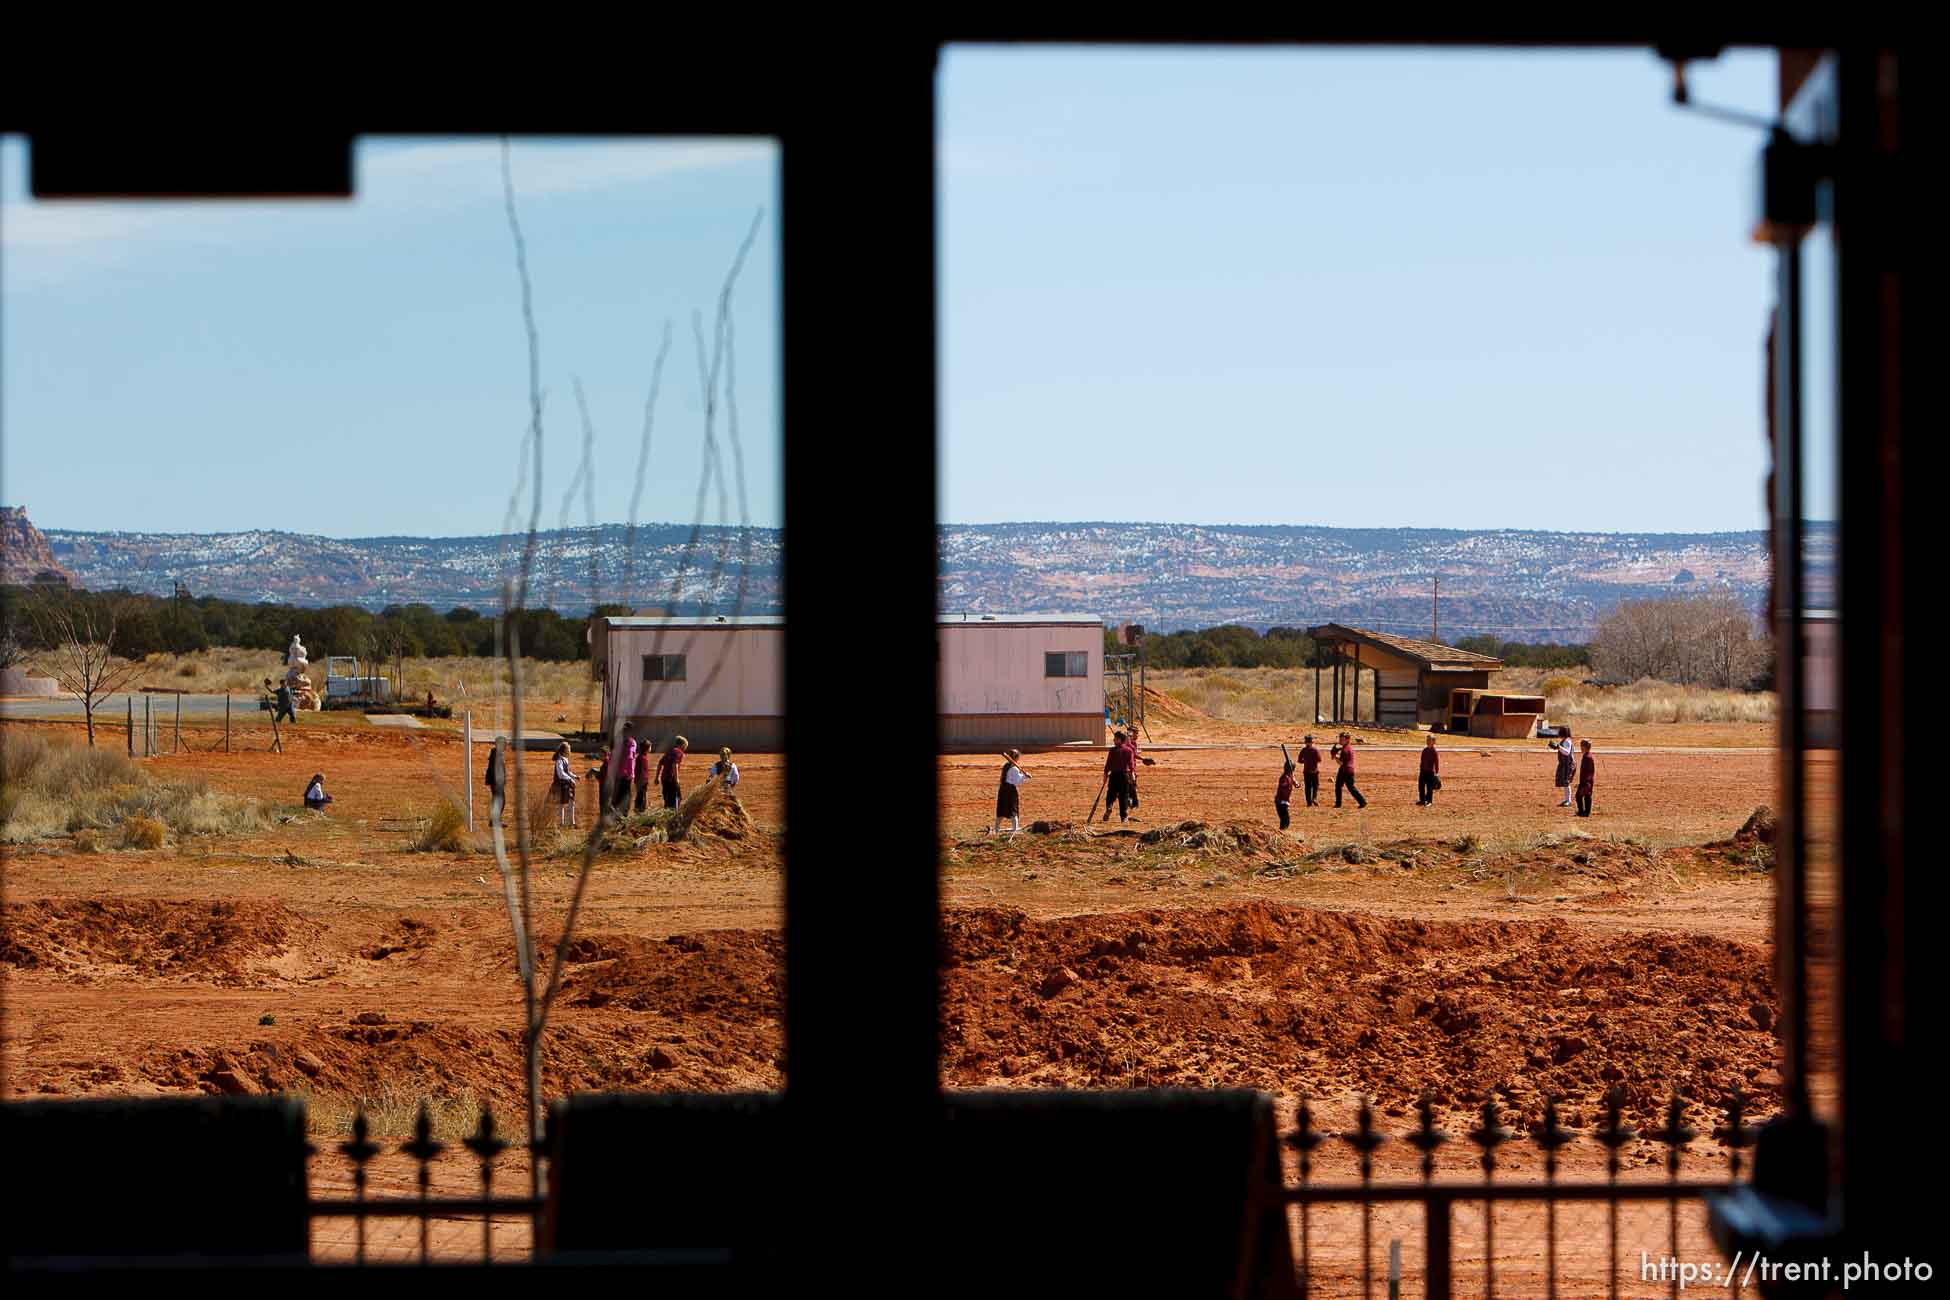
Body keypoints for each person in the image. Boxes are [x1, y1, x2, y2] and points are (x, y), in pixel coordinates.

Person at [1101, 730, 1136, 823]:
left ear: (1120, 740)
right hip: (1124, 776)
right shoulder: (1128, 750)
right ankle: (1123, 816)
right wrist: (1132, 775)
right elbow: (1131, 764)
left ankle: (1109, 806)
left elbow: (1108, 764)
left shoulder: (1112, 750)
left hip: (1113, 775)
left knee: (1110, 794)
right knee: (1123, 796)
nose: (1114, 740)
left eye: (1115, 739)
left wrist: (1105, 776)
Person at [992, 748, 1029, 834]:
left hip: (1002, 790)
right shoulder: (1014, 769)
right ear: (1016, 758)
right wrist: (1025, 776)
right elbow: (1017, 781)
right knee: (1013, 810)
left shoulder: (1006, 765)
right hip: (1010, 791)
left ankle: (997, 830)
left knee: (1001, 810)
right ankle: (1014, 830)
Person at [1331, 731, 1367, 809]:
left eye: (1342, 739)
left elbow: (1341, 763)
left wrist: (1335, 756)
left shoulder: (1345, 750)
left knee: (1339, 786)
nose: (1340, 741)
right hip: (1349, 770)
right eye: (1340, 739)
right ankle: (1362, 801)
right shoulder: (1347, 747)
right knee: (1350, 787)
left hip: (1345, 770)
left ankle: (1338, 804)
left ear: (1347, 740)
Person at [657, 735, 688, 811]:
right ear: (682, 745)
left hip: (664, 778)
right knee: (677, 798)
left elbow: (660, 763)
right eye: (685, 746)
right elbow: (675, 765)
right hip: (671, 779)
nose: (685, 748)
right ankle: (673, 815)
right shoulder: (679, 752)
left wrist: (656, 777)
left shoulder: (669, 751)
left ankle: (666, 813)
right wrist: (676, 779)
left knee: (667, 799)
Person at [554, 741, 579, 827]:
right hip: (561, 784)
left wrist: (574, 776)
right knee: (561, 804)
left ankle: (572, 822)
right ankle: (562, 823)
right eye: (568, 750)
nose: (569, 752)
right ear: (564, 751)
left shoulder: (565, 760)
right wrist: (570, 779)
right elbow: (561, 773)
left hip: (567, 783)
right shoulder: (559, 761)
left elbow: (567, 771)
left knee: (572, 802)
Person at [617, 724, 639, 814]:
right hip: (626, 774)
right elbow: (630, 757)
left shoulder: (620, 742)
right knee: (626, 795)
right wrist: (631, 773)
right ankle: (624, 814)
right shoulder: (631, 742)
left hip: (618, 773)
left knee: (619, 794)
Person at [1297, 734, 1323, 807]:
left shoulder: (1303, 750)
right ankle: (1314, 798)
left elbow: (1299, 760)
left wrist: (1305, 761)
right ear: (1312, 742)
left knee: (1307, 787)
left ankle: (1309, 803)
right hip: (1314, 771)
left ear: (1305, 742)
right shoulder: (1315, 750)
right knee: (1315, 786)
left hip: (1306, 771)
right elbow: (1319, 760)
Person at [1552, 732, 1576, 807]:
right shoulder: (1565, 741)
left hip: (1568, 765)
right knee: (1565, 783)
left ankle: (1568, 801)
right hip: (1564, 764)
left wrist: (1558, 747)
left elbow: (1567, 752)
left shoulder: (1567, 741)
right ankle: (1566, 799)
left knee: (1566, 782)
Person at [633, 735, 655, 814]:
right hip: (641, 781)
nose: (651, 748)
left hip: (640, 780)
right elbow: (642, 771)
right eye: (650, 747)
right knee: (641, 796)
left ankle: (638, 809)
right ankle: (640, 810)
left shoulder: (642, 757)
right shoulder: (642, 758)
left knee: (641, 795)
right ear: (647, 748)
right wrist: (644, 781)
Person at [1417, 734, 1440, 806]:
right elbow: (1422, 760)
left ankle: (1429, 801)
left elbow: (1436, 762)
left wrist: (1436, 773)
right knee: (1421, 786)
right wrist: (1421, 769)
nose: (1427, 741)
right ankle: (1422, 800)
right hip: (1423, 771)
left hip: (1430, 772)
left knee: (1429, 787)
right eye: (1427, 740)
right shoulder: (1424, 750)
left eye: (1429, 740)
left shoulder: (1434, 751)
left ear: (1433, 742)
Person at [1576, 739, 1596, 817]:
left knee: (1582, 796)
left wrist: (1585, 782)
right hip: (1585, 780)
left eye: (1581, 746)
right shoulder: (1586, 756)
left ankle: (1585, 812)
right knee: (1583, 796)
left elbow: (1588, 771)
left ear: (1585, 747)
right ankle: (1583, 811)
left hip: (1586, 781)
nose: (1580, 748)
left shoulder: (1587, 757)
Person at [1275, 761, 1296, 830]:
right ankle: (1281, 832)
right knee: (1285, 820)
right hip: (1281, 801)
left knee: (1285, 820)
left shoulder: (1289, 777)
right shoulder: (1285, 777)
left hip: (1284, 801)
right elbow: (1283, 786)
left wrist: (1294, 782)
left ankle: (1282, 832)